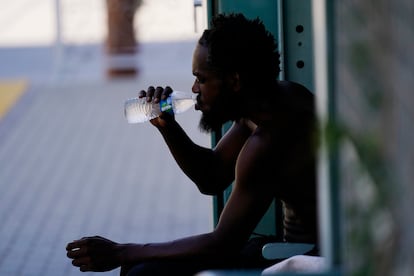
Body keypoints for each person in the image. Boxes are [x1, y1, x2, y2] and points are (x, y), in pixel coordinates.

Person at [66, 13, 318, 275]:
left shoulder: (271, 138)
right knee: (140, 267)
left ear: (234, 81)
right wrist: (168, 126)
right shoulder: (273, 100)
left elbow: (222, 244)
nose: (195, 88)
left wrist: (122, 251)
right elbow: (212, 176)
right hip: (288, 250)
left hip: (307, 259)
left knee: (143, 272)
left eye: (202, 78)